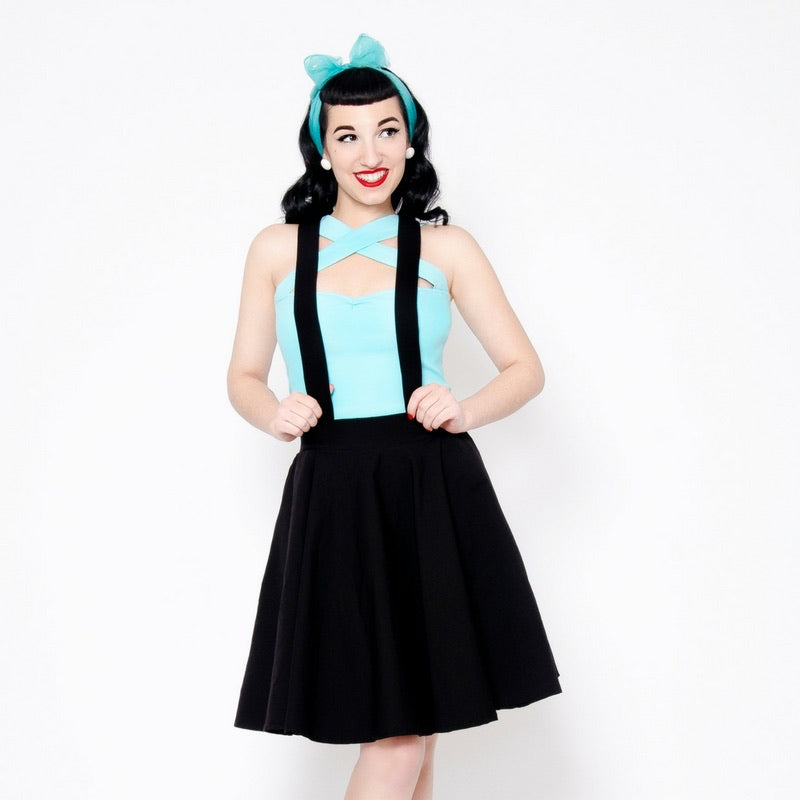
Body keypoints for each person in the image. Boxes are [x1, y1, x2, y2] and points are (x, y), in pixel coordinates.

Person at [227, 33, 561, 800]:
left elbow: (526, 370)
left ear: (411, 141)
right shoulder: (277, 249)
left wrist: (464, 406)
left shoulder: (448, 248)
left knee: (417, 737)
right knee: (400, 737)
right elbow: (242, 377)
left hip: (432, 486)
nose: (370, 152)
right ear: (321, 150)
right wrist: (274, 410)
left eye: (386, 130)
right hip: (333, 489)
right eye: (347, 135)